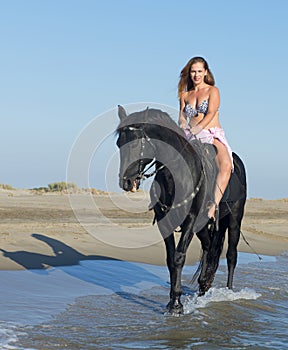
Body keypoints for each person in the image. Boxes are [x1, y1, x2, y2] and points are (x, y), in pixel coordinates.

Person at [178, 56, 233, 225]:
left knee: (226, 165)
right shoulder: (184, 94)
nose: (196, 75)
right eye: (193, 71)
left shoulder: (212, 91)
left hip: (211, 133)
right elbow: (182, 115)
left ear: (205, 72)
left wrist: (198, 128)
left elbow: (210, 113)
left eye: (199, 71)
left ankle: (213, 205)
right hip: (191, 134)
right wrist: (182, 125)